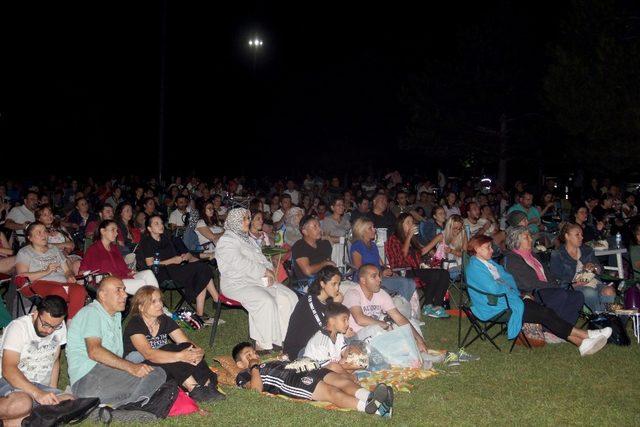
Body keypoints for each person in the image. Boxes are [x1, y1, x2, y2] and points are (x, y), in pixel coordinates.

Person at [465, 234, 610, 356]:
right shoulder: (475, 267)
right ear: (477, 249)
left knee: (546, 312)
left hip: (510, 299)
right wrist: (510, 289)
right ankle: (585, 336)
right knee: (545, 313)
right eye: (487, 247)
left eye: (491, 246)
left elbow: (507, 280)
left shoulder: (488, 263)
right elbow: (493, 288)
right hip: (495, 305)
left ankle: (581, 342)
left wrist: (515, 292)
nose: (492, 250)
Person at [66, 277, 167, 410]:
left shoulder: (114, 316)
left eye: (124, 290)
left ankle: (116, 406)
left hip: (103, 377)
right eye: (118, 290)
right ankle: (131, 406)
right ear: (103, 295)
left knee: (153, 376)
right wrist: (131, 367)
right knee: (157, 375)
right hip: (89, 379)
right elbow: (94, 351)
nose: (125, 294)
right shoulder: (91, 312)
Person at [232, 342, 394, 417]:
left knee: (341, 381)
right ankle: (377, 409)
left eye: (254, 353)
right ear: (240, 364)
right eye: (249, 355)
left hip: (303, 370)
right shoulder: (244, 374)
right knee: (332, 391)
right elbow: (255, 390)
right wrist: (254, 367)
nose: (255, 356)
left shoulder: (268, 362)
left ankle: (373, 398)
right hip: (292, 381)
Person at [216, 208, 299, 352]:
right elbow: (239, 263)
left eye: (248, 218)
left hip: (256, 279)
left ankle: (283, 338)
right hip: (236, 283)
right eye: (245, 219)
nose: (248, 222)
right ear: (235, 221)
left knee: (289, 297)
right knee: (264, 300)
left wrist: (270, 271)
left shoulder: (246, 238)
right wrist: (263, 271)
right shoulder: (226, 240)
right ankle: (263, 344)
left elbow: (261, 257)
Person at [123, 286, 224, 402]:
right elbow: (148, 354)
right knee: (171, 349)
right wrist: (180, 356)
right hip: (139, 367)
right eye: (153, 302)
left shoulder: (164, 320)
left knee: (186, 348)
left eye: (160, 300)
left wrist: (198, 351)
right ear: (141, 307)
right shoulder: (135, 323)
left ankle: (207, 385)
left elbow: (185, 342)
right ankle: (193, 388)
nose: (160, 305)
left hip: (162, 362)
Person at [137, 215, 219, 319]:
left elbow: (181, 254)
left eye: (161, 223)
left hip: (176, 269)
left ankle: (201, 313)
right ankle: (216, 300)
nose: (161, 225)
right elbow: (150, 264)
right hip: (162, 273)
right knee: (201, 268)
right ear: (149, 228)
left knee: (201, 270)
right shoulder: (146, 242)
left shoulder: (166, 238)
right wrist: (173, 260)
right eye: (156, 223)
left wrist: (184, 256)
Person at [502, 226, 584, 327]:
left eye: (530, 236)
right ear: (516, 241)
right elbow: (527, 283)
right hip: (530, 293)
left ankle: (565, 327)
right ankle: (550, 329)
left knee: (577, 296)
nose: (531, 239)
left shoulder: (532, 255)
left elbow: (548, 274)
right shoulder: (512, 259)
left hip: (545, 288)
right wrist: (553, 286)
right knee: (560, 294)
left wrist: (555, 283)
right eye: (526, 237)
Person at [0, 296, 73, 405]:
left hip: (39, 386)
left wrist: (53, 390)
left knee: (70, 399)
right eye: (45, 324)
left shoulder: (59, 327)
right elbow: (8, 370)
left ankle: (24, 417)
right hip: (12, 382)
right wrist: (37, 394)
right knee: (23, 403)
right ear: (35, 314)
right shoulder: (18, 328)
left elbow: (54, 360)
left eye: (55, 326)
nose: (49, 331)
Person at [343, 264, 428, 349]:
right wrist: (384, 325)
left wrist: (419, 339)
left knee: (410, 323)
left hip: (377, 332)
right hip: (356, 337)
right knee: (377, 330)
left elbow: (399, 318)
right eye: (374, 277)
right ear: (363, 280)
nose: (379, 279)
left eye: (379, 276)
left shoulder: (381, 293)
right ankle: (403, 350)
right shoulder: (353, 293)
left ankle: (416, 349)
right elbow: (360, 319)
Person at [15, 222, 88, 319]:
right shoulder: (24, 252)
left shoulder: (54, 249)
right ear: (30, 238)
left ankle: (71, 324)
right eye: (38, 232)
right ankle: (59, 322)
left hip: (62, 283)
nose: (43, 234)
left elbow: (67, 270)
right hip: (38, 283)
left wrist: (69, 275)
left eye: (45, 231)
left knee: (80, 290)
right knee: (59, 292)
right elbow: (22, 276)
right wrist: (46, 271)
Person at [384, 214, 450, 318]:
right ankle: (428, 305)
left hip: (416, 270)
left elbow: (420, 253)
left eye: (412, 222)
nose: (412, 224)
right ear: (400, 225)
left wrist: (435, 242)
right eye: (408, 222)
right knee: (435, 275)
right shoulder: (393, 239)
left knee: (444, 273)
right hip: (402, 271)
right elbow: (402, 257)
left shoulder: (413, 239)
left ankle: (437, 306)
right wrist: (409, 237)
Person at [80, 220, 159, 295]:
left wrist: (130, 271)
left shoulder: (114, 248)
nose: (116, 233)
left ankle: (156, 303)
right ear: (103, 231)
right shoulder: (93, 249)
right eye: (113, 230)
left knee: (148, 273)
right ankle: (155, 304)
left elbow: (123, 267)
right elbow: (83, 271)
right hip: (109, 282)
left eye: (117, 230)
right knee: (142, 284)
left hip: (123, 277)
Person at [550, 223, 616, 313]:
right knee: (590, 293)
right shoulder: (558, 254)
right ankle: (602, 318)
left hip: (594, 283)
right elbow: (556, 279)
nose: (581, 237)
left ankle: (606, 317)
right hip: (573, 287)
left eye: (581, 235)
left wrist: (594, 268)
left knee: (609, 291)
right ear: (567, 236)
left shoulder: (587, 250)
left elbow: (600, 269)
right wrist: (576, 284)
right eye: (577, 235)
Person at [349, 217, 417, 303]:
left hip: (379, 277)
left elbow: (381, 265)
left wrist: (389, 271)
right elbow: (360, 271)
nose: (374, 230)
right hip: (367, 281)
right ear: (362, 231)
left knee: (410, 283)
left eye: (374, 227)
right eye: (370, 228)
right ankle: (397, 310)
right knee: (403, 284)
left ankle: (401, 308)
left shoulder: (373, 245)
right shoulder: (357, 246)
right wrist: (380, 274)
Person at [282, 266, 343, 360]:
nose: (337, 288)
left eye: (338, 284)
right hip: (298, 351)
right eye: (333, 284)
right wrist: (336, 305)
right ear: (322, 283)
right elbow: (325, 329)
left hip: (318, 346)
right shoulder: (309, 300)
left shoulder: (329, 302)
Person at [303, 302, 351, 371]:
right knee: (345, 378)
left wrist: (346, 357)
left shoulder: (339, 335)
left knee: (355, 357)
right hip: (314, 373)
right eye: (344, 320)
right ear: (331, 321)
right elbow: (330, 368)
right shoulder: (321, 341)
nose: (347, 324)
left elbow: (346, 351)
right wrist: (348, 376)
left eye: (348, 320)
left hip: (332, 371)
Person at [291, 215, 335, 284]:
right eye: (315, 227)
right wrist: (324, 263)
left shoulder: (324, 243)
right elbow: (308, 271)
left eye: (319, 226)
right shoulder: (299, 246)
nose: (320, 229)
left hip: (329, 279)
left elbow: (332, 261)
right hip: (310, 283)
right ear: (305, 231)